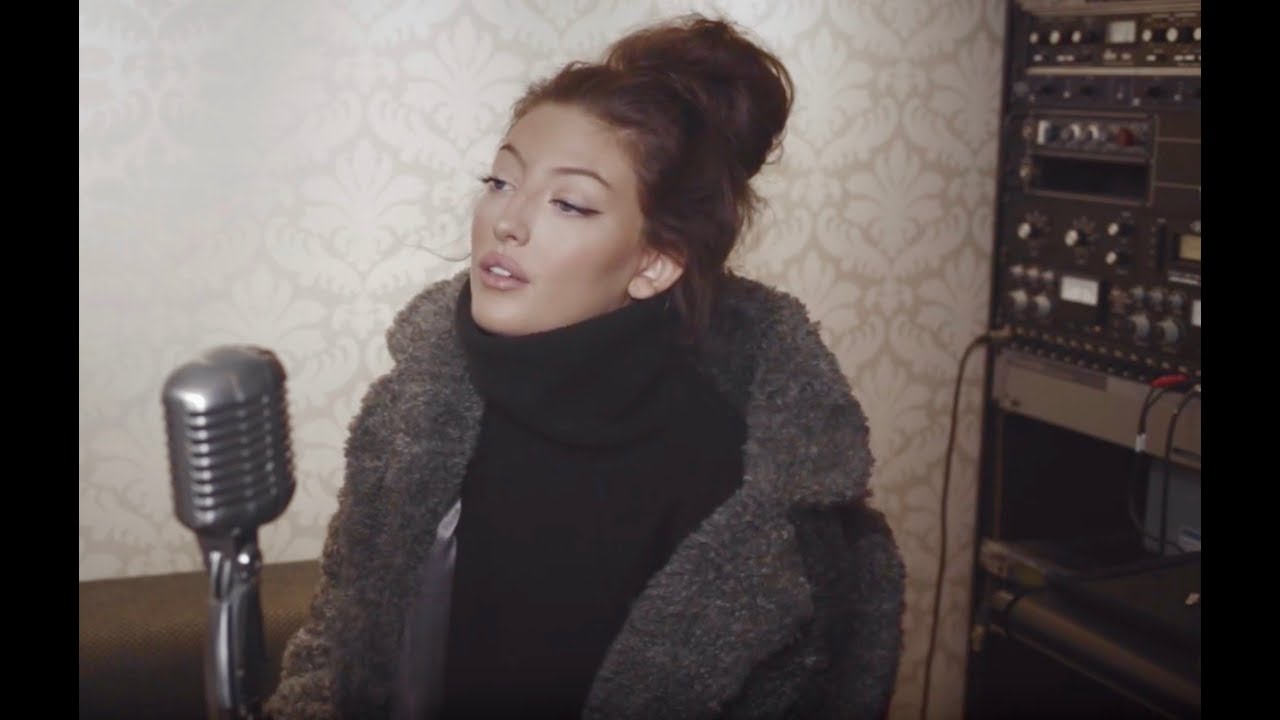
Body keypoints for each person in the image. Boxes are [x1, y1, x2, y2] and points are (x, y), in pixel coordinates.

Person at [266, 13, 904, 720]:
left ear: (655, 262)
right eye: (500, 181)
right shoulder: (416, 404)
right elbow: (333, 649)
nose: (507, 222)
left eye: (569, 203)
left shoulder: (745, 499)